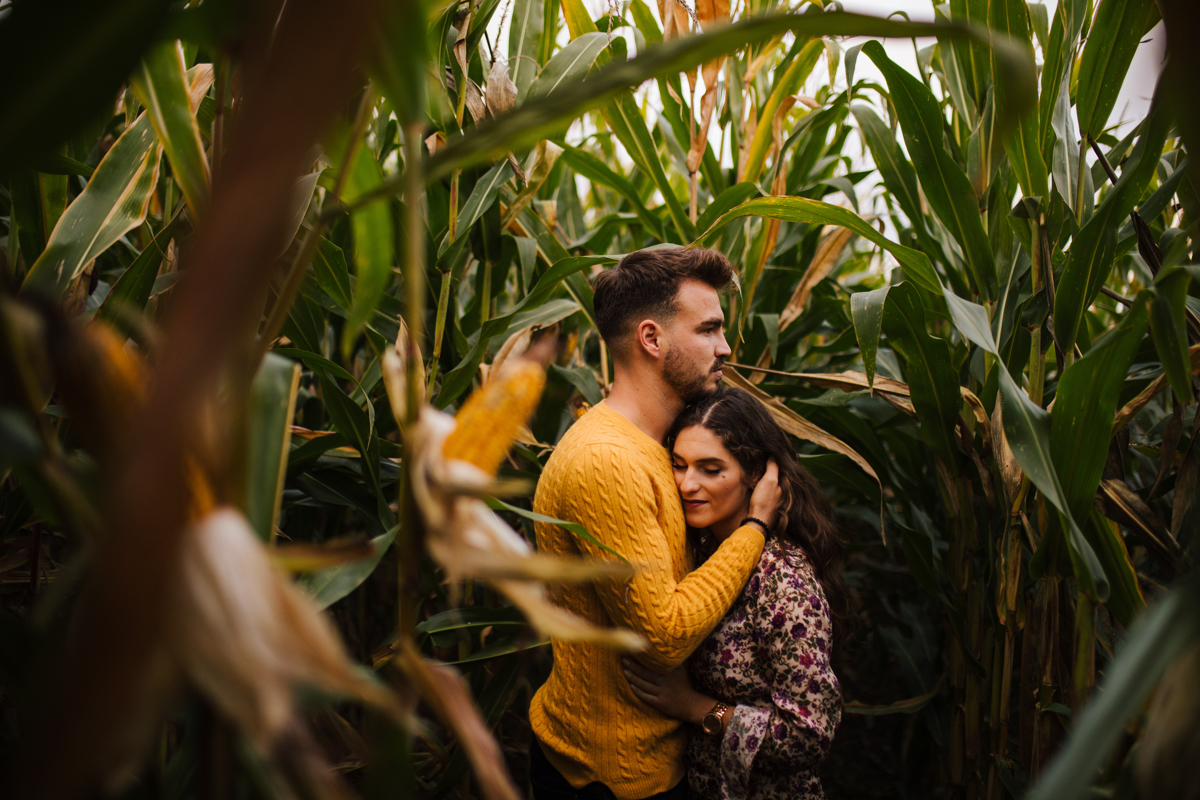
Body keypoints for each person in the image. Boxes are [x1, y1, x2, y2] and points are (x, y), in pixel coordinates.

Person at [528, 248, 784, 800]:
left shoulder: (653, 447)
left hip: (646, 760)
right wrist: (754, 529)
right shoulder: (607, 461)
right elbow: (661, 639)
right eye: (710, 329)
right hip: (610, 776)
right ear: (651, 339)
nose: (726, 347)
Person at [622, 387, 851, 800]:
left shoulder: (782, 580)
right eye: (678, 465)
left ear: (758, 476)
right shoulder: (700, 548)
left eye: (711, 469)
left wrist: (692, 706)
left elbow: (808, 735)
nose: (687, 484)